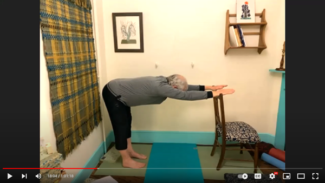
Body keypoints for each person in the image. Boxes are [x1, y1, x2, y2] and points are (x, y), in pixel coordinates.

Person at [102, 74, 235, 169]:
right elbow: (185, 95)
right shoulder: (162, 87)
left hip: (121, 92)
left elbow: (186, 88)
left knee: (127, 122)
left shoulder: (166, 81)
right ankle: (126, 160)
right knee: (120, 126)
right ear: (173, 88)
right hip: (113, 94)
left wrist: (211, 87)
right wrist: (212, 94)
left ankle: (129, 151)